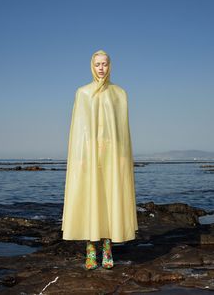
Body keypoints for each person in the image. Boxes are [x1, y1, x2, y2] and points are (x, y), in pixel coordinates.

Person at [61, 50, 138, 270]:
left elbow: (122, 132)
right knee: (90, 198)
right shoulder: (83, 93)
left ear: (110, 65)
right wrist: (80, 158)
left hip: (113, 157)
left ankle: (107, 248)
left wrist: (123, 158)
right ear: (91, 66)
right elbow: (79, 131)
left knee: (109, 199)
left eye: (104, 64)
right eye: (97, 64)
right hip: (89, 157)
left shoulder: (119, 93)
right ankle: (90, 250)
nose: (101, 68)